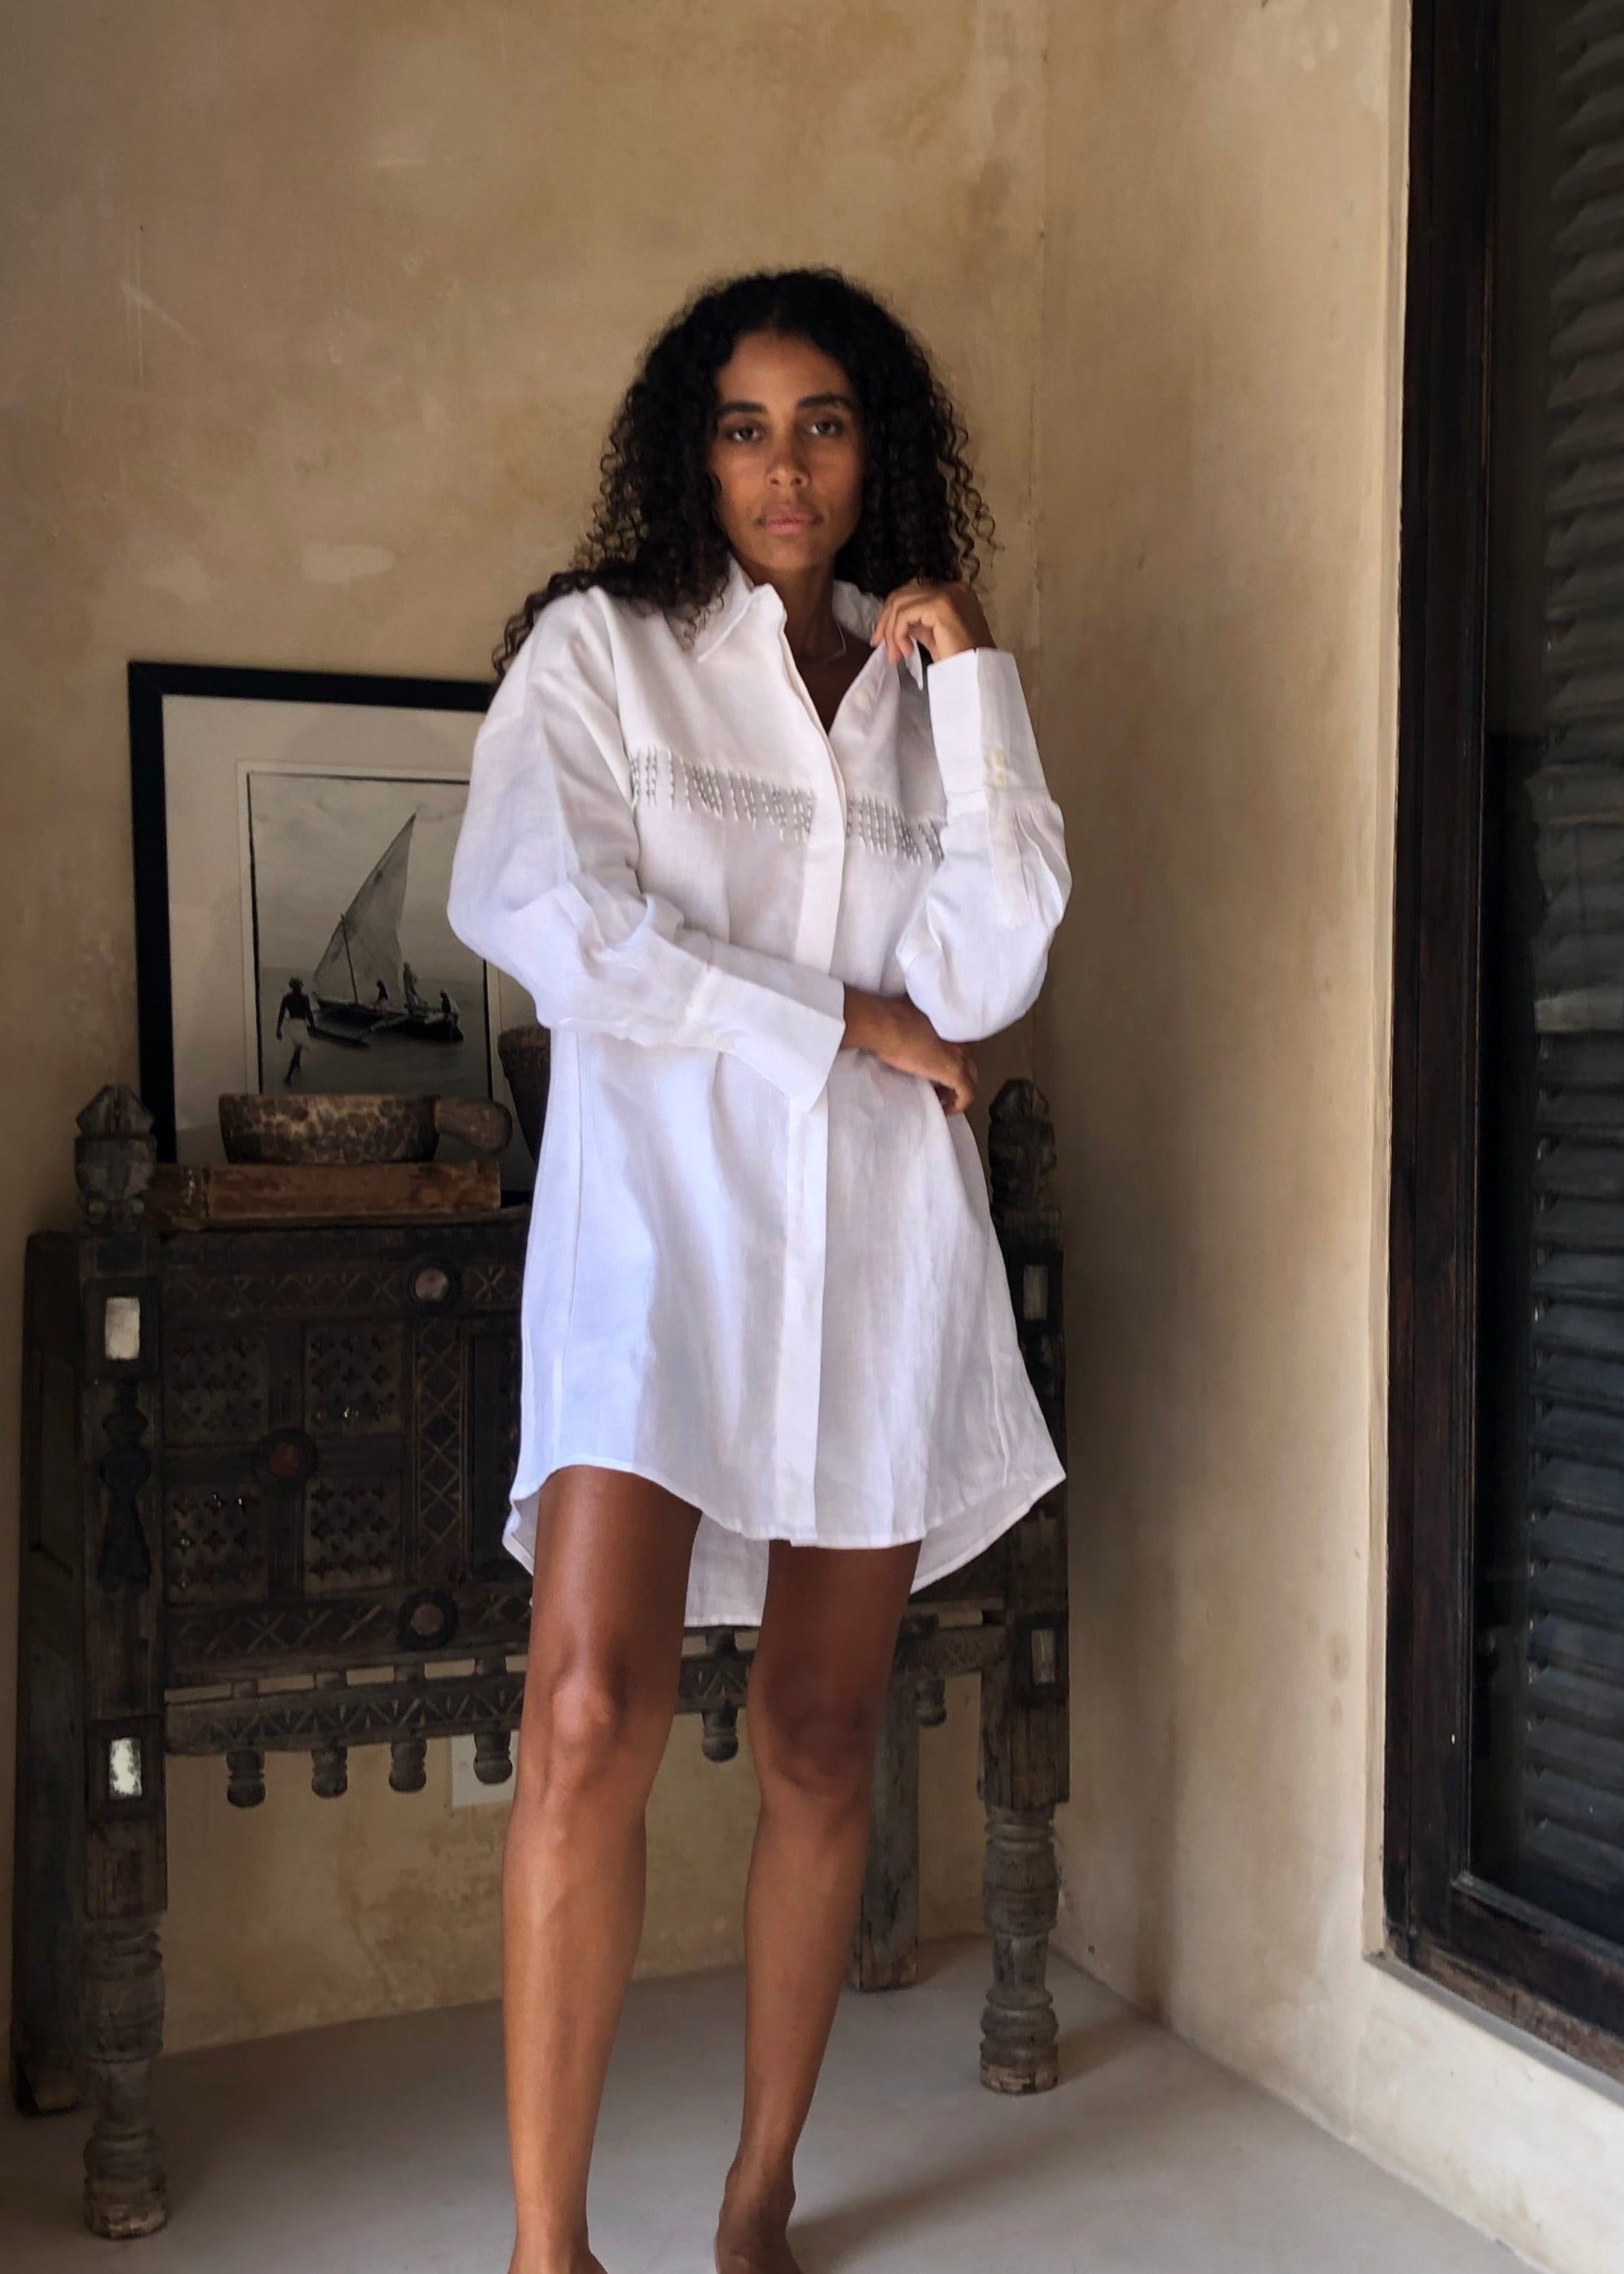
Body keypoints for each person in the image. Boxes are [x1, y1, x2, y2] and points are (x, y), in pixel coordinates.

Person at [446, 266, 1071, 2274]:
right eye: (742, 426)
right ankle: (548, 2247)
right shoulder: (604, 654)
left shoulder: (918, 688)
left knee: (818, 1734)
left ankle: (758, 2187)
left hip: (876, 1257)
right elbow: (547, 918)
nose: (783, 467)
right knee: (584, 1710)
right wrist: (841, 1019)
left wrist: (973, 684)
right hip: (656, 1247)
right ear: (688, 455)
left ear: (875, 450)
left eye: (822, 423)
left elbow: (988, 969)